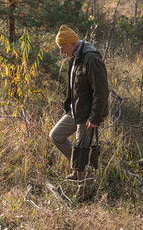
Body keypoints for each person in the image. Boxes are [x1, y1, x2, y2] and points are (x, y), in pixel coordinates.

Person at [49, 25, 109, 200]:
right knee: (56, 136)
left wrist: (95, 117)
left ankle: (84, 189)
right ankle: (78, 170)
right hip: (75, 111)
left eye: (63, 47)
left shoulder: (91, 58)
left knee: (82, 149)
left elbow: (102, 91)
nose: (61, 51)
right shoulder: (74, 57)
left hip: (88, 114)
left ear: (73, 43)